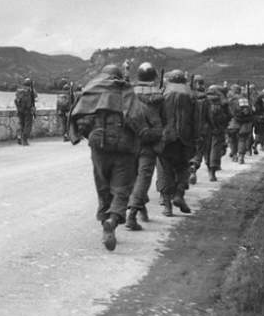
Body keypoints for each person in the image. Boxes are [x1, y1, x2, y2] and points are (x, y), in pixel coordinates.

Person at [68, 65, 159, 251]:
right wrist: (144, 134)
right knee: (122, 190)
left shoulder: (92, 90)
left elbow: (78, 117)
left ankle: (106, 228)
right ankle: (113, 219)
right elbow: (137, 118)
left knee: (103, 188)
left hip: (99, 147)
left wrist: (89, 135)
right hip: (124, 148)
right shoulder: (125, 90)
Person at [125, 62, 165, 230]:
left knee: (134, 177)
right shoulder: (159, 95)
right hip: (149, 141)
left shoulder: (128, 93)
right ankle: (133, 214)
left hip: (130, 141)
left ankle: (141, 207)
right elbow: (165, 120)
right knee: (144, 177)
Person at [157, 70, 198, 216]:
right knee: (183, 167)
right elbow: (197, 118)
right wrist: (196, 137)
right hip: (186, 137)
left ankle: (167, 206)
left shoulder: (164, 92)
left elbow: (158, 115)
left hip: (166, 136)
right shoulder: (191, 93)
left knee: (164, 169)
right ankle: (179, 194)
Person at [188, 75, 212, 185]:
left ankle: (189, 167)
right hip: (202, 129)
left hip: (187, 129)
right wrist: (212, 126)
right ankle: (194, 166)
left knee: (188, 150)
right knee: (199, 150)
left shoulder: (187, 96)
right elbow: (209, 116)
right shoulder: (205, 98)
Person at [205, 84, 231, 181]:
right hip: (218, 128)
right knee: (215, 148)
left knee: (206, 149)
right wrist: (224, 124)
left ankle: (207, 166)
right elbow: (230, 114)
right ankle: (212, 171)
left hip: (205, 128)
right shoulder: (223, 102)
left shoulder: (203, 99)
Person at [227, 84, 253, 164]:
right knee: (242, 140)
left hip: (234, 121)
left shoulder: (230, 100)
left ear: (233, 91)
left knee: (232, 139)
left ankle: (235, 155)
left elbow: (228, 112)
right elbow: (251, 111)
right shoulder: (246, 99)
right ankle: (241, 157)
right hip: (245, 122)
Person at [14, 78, 38, 145]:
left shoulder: (19, 91)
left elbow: (16, 100)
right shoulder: (31, 91)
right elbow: (37, 99)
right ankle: (24, 139)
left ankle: (19, 135)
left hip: (20, 110)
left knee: (21, 123)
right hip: (28, 110)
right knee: (28, 125)